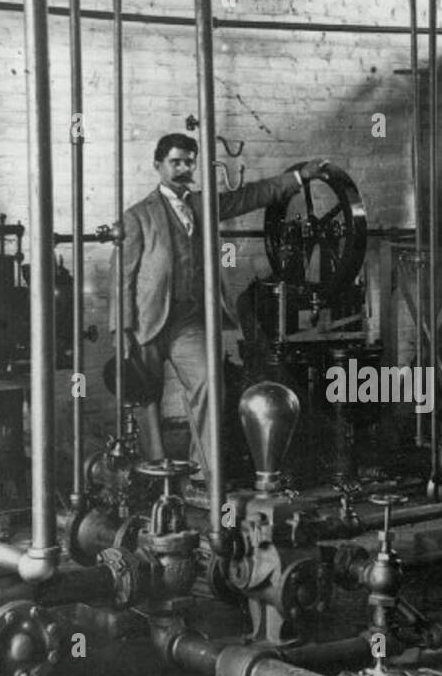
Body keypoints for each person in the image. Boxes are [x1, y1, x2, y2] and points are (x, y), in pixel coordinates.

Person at [114, 131, 327, 485]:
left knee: (211, 384)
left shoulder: (203, 204)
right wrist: (119, 330)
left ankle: (203, 474)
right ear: (158, 165)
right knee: (147, 397)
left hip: (190, 320)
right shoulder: (138, 216)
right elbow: (122, 278)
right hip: (146, 320)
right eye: (175, 162)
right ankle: (156, 473)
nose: (183, 168)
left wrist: (297, 178)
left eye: (189, 161)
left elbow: (248, 196)